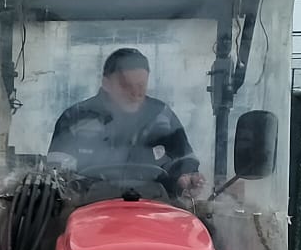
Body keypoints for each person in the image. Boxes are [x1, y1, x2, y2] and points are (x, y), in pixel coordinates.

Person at [50, 47, 205, 195]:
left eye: (141, 86)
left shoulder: (162, 117)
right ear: (106, 84)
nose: (136, 94)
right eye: (126, 86)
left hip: (154, 210)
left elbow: (184, 160)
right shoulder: (75, 119)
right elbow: (57, 177)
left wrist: (186, 178)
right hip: (87, 208)